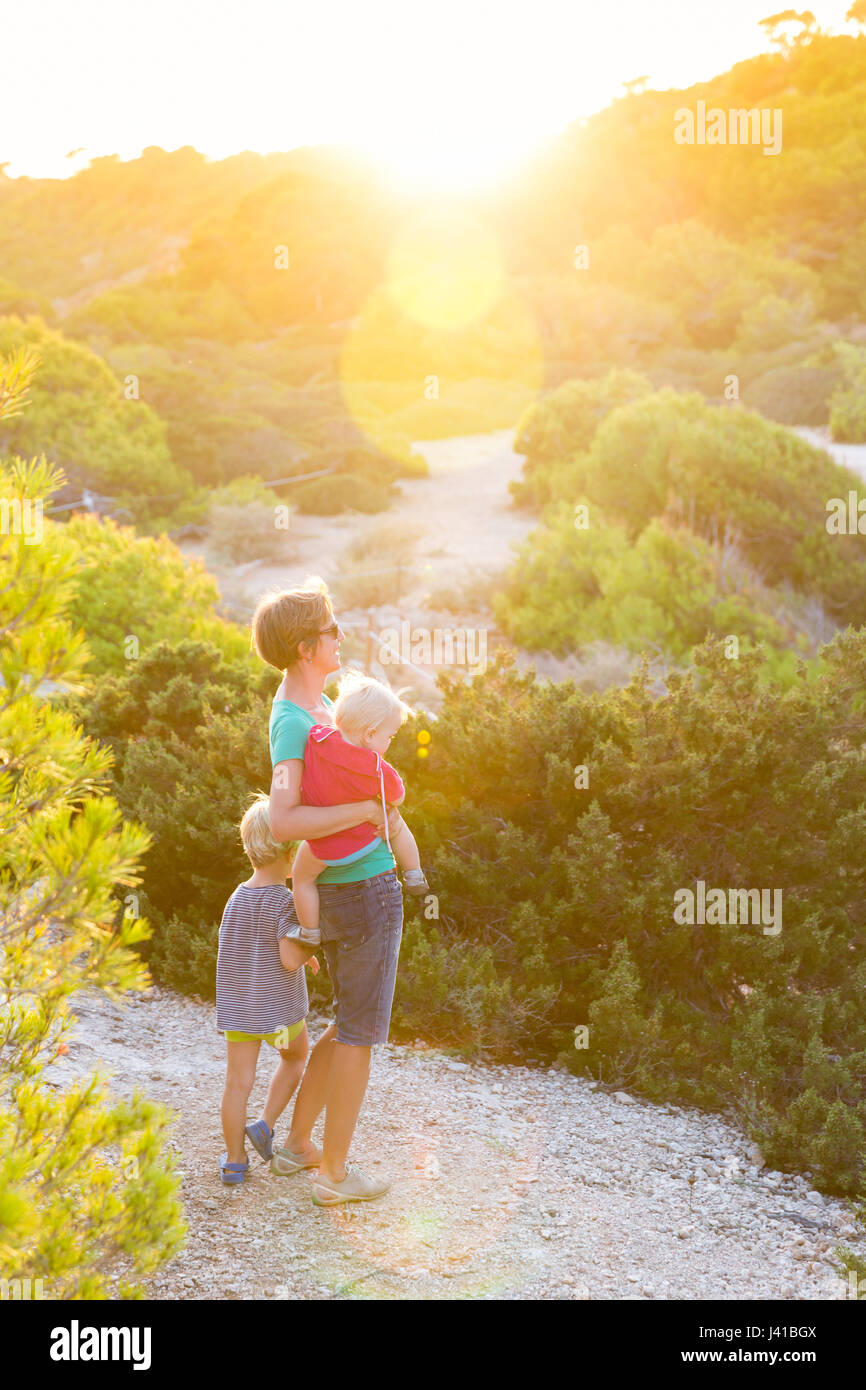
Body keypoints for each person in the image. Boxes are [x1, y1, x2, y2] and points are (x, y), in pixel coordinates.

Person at [252, 578, 405, 1205]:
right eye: (331, 629)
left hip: (348, 892)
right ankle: (338, 1178)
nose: (339, 636)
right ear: (303, 646)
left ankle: (296, 1149)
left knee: (344, 1025)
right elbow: (282, 820)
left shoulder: (315, 709)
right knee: (360, 1036)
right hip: (363, 894)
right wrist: (368, 809)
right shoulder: (293, 720)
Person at [215, 794, 322, 1185]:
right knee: (295, 1057)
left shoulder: (236, 897)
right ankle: (265, 1124)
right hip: (276, 1013)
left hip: (239, 1011)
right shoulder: (284, 900)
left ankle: (234, 1161)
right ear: (290, 850)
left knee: (236, 1084)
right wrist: (309, 944)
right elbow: (288, 960)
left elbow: (245, 947)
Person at [290, 672, 429, 942]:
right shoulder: (376, 768)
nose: (390, 743)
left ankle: (309, 931)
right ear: (370, 734)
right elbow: (397, 796)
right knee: (397, 825)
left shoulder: (317, 739)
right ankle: (413, 873)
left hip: (321, 845)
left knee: (301, 878)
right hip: (359, 842)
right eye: (390, 736)